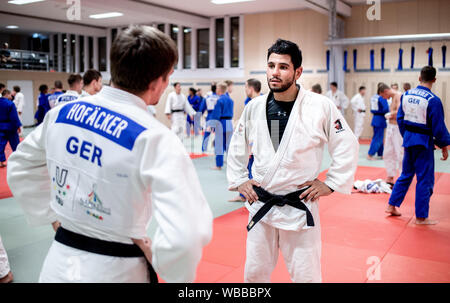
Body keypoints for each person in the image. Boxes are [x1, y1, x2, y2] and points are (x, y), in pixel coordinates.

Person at [7, 25, 213, 283]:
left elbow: (20, 166)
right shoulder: (155, 137)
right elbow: (187, 233)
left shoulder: (60, 114)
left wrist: (51, 217)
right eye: (168, 76)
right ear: (158, 81)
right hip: (118, 270)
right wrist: (163, 263)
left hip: (58, 264)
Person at [227, 39, 358, 283]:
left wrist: (331, 183)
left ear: (298, 71)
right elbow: (237, 145)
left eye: (283, 67)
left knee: (306, 276)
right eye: (271, 65)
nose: (275, 72)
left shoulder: (320, 106)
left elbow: (346, 143)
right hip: (261, 204)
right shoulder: (255, 107)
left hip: (299, 205)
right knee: (254, 274)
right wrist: (240, 180)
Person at [386, 66, 450, 225]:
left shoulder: (406, 95)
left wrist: (406, 136)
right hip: (423, 143)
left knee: (406, 174)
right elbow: (438, 126)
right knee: (424, 179)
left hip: (409, 140)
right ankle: (421, 216)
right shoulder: (433, 100)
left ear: (419, 78)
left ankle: (391, 205)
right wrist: (443, 145)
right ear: (434, 80)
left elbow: (400, 119)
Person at [229, 78, 261, 202]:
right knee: (248, 167)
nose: (245, 90)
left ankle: (253, 195)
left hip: (259, 142)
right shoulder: (248, 102)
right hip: (250, 140)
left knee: (255, 168)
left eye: (246, 88)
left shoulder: (264, 103)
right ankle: (245, 195)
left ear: (251, 89)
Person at [210, 82, 234, 170]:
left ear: (219, 89)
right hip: (229, 122)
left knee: (219, 145)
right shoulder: (230, 100)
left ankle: (218, 165)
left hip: (221, 123)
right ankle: (232, 164)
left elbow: (216, 114)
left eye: (216, 88)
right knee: (229, 145)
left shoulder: (219, 100)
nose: (216, 90)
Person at [384, 87, 404, 187]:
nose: (384, 98)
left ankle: (402, 178)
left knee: (400, 153)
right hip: (390, 127)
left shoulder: (399, 95)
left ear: (385, 91)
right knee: (388, 152)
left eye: (383, 96)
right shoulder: (392, 98)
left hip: (397, 128)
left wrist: (390, 114)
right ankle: (390, 175)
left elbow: (401, 111)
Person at [367, 83, 390, 160]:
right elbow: (386, 109)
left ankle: (381, 154)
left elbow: (371, 109)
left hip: (375, 118)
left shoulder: (373, 97)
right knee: (378, 138)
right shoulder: (382, 98)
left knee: (379, 137)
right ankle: (370, 154)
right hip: (380, 119)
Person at [0, 89, 21, 167]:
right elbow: (14, 117)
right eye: (10, 95)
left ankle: (1, 161)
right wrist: (18, 126)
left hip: (0, 127)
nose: (11, 97)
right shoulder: (10, 103)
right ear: (7, 94)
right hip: (10, 127)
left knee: (0, 145)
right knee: (15, 145)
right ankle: (18, 161)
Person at [201, 84, 220, 152]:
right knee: (218, 133)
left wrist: (201, 113)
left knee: (207, 133)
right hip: (217, 116)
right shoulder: (219, 97)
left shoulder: (207, 97)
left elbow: (202, 108)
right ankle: (216, 148)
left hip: (209, 116)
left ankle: (204, 148)